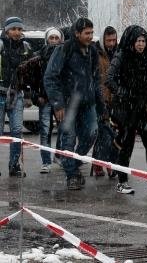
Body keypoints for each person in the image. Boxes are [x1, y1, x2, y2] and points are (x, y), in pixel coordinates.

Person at [44, 17, 104, 190]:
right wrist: (58, 103)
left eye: (92, 33)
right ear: (77, 33)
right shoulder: (64, 50)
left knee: (92, 134)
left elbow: (95, 79)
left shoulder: (92, 51)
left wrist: (101, 105)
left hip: (88, 103)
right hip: (68, 104)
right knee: (68, 140)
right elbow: (50, 77)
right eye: (87, 33)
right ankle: (72, 176)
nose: (90, 36)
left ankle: (72, 165)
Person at [106, 25, 147, 194]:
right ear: (131, 41)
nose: (141, 44)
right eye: (138, 41)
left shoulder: (145, 58)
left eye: (143, 41)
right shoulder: (122, 55)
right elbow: (109, 79)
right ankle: (122, 181)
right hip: (126, 109)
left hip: (143, 109)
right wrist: (124, 93)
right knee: (126, 145)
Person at [18, 27, 64, 174]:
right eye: (52, 38)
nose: (55, 41)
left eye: (57, 38)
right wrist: (35, 96)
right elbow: (28, 78)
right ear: (47, 39)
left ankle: (59, 155)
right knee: (45, 131)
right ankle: (46, 162)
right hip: (44, 99)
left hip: (60, 100)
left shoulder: (65, 56)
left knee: (64, 130)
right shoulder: (39, 58)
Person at [0, 17, 33, 177]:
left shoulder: (26, 48)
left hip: (16, 94)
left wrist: (27, 94)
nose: (17, 32)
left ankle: (14, 166)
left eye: (20, 29)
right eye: (13, 29)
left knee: (17, 131)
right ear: (6, 30)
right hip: (0, 92)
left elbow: (28, 74)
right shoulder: (0, 46)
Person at [91, 26, 118, 177]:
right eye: (109, 40)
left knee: (113, 134)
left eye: (114, 40)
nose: (111, 43)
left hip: (115, 98)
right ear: (103, 39)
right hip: (100, 98)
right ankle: (101, 163)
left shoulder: (118, 52)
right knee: (103, 134)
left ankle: (109, 164)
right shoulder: (95, 52)